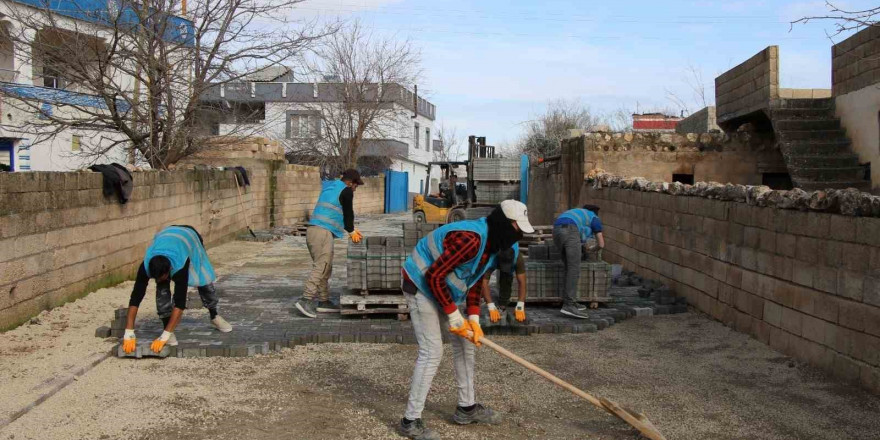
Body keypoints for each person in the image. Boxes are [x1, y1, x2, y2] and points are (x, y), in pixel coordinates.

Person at [398, 200, 534, 440]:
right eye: (517, 227)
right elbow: (434, 276)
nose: (519, 234)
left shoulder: (494, 248)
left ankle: (466, 408)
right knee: (432, 351)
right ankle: (410, 421)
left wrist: (472, 319)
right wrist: (453, 315)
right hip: (419, 283)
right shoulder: (471, 239)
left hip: (438, 288)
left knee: (467, 344)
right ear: (504, 224)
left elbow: (473, 283)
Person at [122, 225, 232, 354]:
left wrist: (164, 337)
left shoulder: (180, 266)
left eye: (162, 277)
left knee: (203, 279)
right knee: (162, 289)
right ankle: (167, 326)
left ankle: (214, 315)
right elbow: (136, 297)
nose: (159, 280)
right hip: (167, 237)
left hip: (189, 239)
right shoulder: (146, 266)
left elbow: (180, 303)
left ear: (170, 270)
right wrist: (129, 332)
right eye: (156, 278)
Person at [294, 169, 364, 318]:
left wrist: (351, 228)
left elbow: (334, 211)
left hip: (314, 231)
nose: (355, 189)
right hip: (322, 232)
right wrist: (351, 231)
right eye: (356, 186)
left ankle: (323, 300)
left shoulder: (330, 187)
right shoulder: (346, 190)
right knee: (321, 266)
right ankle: (305, 299)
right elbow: (348, 213)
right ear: (350, 182)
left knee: (326, 267)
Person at [552, 204, 605, 319]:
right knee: (574, 269)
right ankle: (569, 305)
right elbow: (601, 244)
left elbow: (580, 237)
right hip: (570, 231)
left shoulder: (577, 214)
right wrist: (591, 249)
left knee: (568, 268)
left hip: (556, 231)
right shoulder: (593, 218)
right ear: (595, 213)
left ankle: (570, 301)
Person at [481, 244, 527, 323]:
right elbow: (483, 281)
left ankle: (502, 305)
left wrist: (520, 305)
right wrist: (491, 306)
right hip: (490, 253)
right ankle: (475, 304)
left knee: (506, 277)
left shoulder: (518, 258)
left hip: (509, 259)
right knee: (477, 279)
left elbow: (522, 282)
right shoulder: (490, 258)